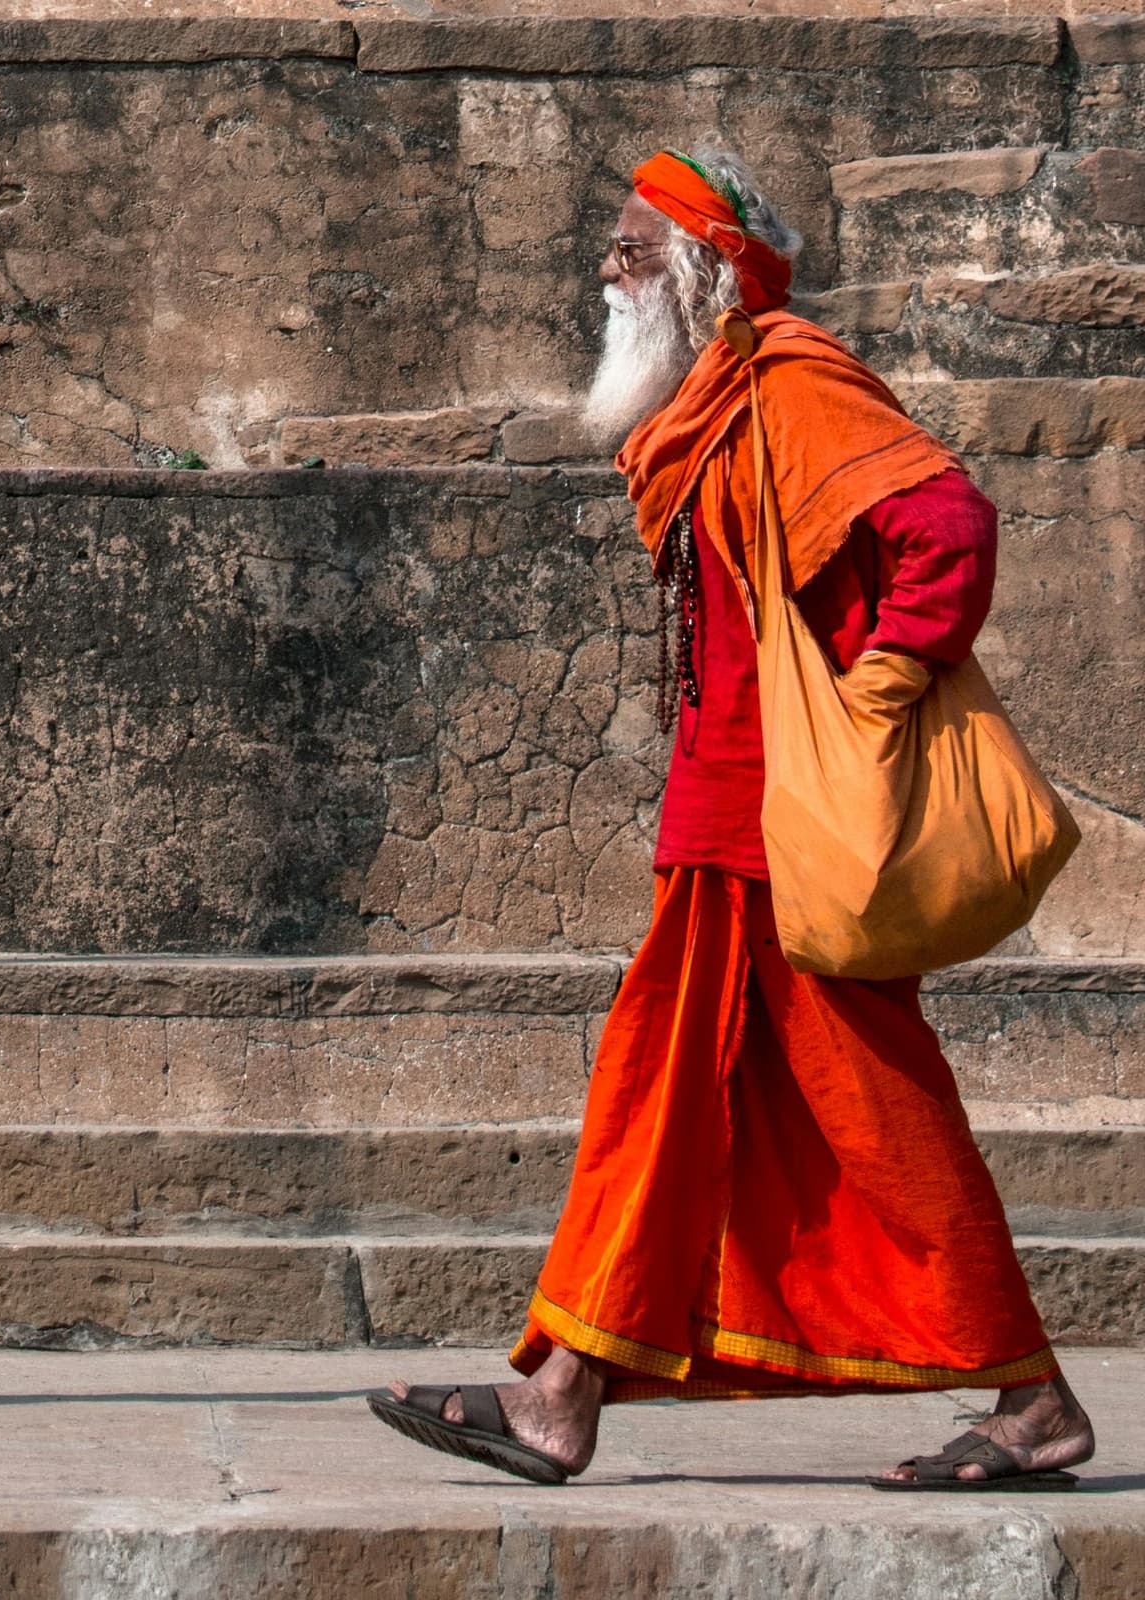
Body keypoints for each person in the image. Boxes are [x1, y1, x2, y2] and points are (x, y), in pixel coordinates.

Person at [369, 148, 1096, 1490]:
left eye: (632, 249)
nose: (606, 268)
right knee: (663, 1095)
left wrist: (884, 678)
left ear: (707, 272)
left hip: (793, 818)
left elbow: (949, 523)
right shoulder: (712, 401)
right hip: (726, 811)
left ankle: (1030, 1400)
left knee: (874, 1106)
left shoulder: (792, 379)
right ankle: (565, 1394)